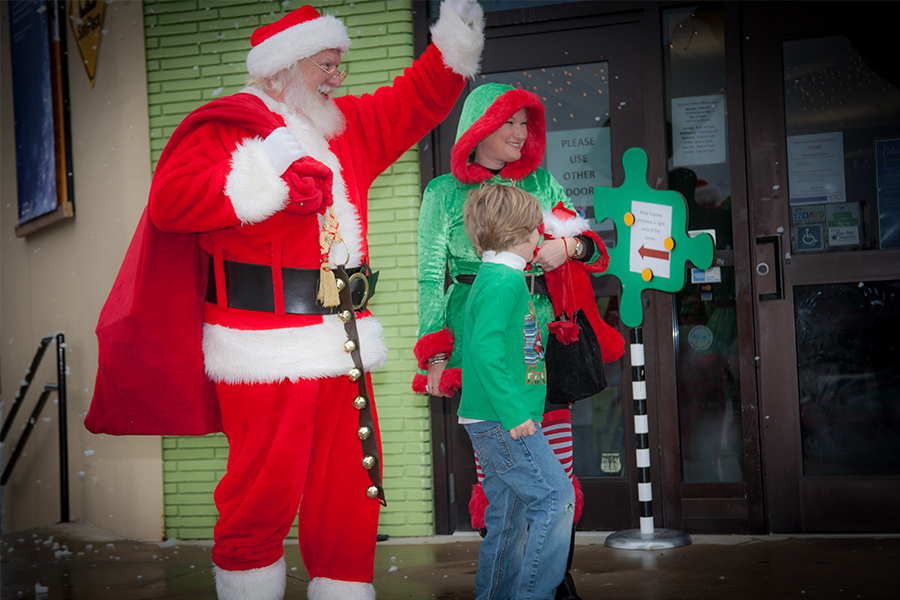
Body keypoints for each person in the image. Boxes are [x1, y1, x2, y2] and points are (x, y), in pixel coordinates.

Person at [85, 3, 485, 600]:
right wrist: (260, 173)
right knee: (262, 491)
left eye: (338, 66)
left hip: (341, 342)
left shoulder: (342, 129)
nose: (336, 78)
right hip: (260, 349)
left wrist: (455, 36)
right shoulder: (225, 126)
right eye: (327, 65)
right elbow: (170, 203)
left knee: (349, 489)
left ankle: (343, 588)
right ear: (285, 67)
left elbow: (412, 100)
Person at [414, 82, 623, 599]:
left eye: (525, 123)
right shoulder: (441, 193)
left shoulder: (544, 181)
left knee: (556, 471)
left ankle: (552, 579)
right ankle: (519, 582)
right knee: (505, 481)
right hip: (484, 348)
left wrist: (566, 247)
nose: (519, 132)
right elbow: (428, 279)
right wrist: (437, 355)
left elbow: (596, 253)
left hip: (546, 346)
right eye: (508, 121)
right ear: (478, 128)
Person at [460, 183, 576, 600]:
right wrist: (514, 414)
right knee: (556, 498)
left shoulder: (498, 277)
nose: (540, 239)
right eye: (537, 232)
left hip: (496, 419)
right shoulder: (503, 282)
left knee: (507, 519)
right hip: (503, 421)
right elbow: (484, 351)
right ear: (521, 234)